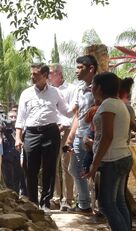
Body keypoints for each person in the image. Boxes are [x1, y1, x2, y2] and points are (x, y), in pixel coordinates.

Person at [83, 72, 134, 231]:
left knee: (106, 204)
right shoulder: (118, 103)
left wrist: (95, 164)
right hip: (121, 156)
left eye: (93, 85)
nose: (92, 89)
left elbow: (106, 137)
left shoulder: (108, 105)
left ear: (99, 87)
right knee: (119, 202)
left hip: (112, 160)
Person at [15, 63, 69, 211]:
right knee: (29, 169)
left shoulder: (55, 92)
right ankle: (33, 202)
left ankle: (45, 203)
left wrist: (77, 109)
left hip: (51, 133)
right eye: (31, 74)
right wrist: (18, 138)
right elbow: (20, 118)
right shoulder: (25, 93)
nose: (32, 77)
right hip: (31, 133)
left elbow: (66, 112)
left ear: (45, 76)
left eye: (36, 74)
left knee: (49, 169)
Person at [65, 55, 98, 214]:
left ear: (90, 68)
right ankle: (84, 204)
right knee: (75, 169)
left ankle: (100, 207)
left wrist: (93, 136)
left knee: (96, 172)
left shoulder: (100, 88)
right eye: (76, 67)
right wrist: (70, 139)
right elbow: (77, 115)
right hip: (79, 137)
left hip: (94, 138)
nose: (76, 71)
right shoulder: (80, 89)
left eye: (80, 67)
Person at [49, 64, 77, 211]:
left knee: (66, 165)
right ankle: (55, 197)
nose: (49, 76)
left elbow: (73, 112)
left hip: (66, 130)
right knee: (52, 165)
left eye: (51, 73)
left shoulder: (71, 89)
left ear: (59, 74)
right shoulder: (49, 90)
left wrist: (63, 125)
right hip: (52, 130)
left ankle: (68, 199)